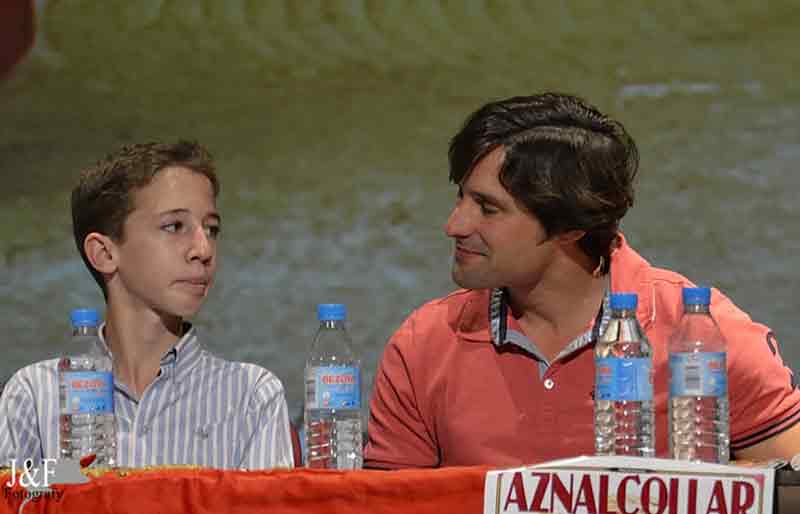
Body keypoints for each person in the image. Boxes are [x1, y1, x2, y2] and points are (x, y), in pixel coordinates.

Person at [364, 92, 800, 468]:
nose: (454, 224)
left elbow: (789, 483)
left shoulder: (703, 336)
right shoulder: (424, 344)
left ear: (571, 226)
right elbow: (384, 503)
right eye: (461, 197)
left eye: (488, 208)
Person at [0, 141, 294, 469]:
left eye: (212, 229)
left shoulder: (251, 398)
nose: (203, 248)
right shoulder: (33, 398)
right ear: (104, 254)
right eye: (175, 226)